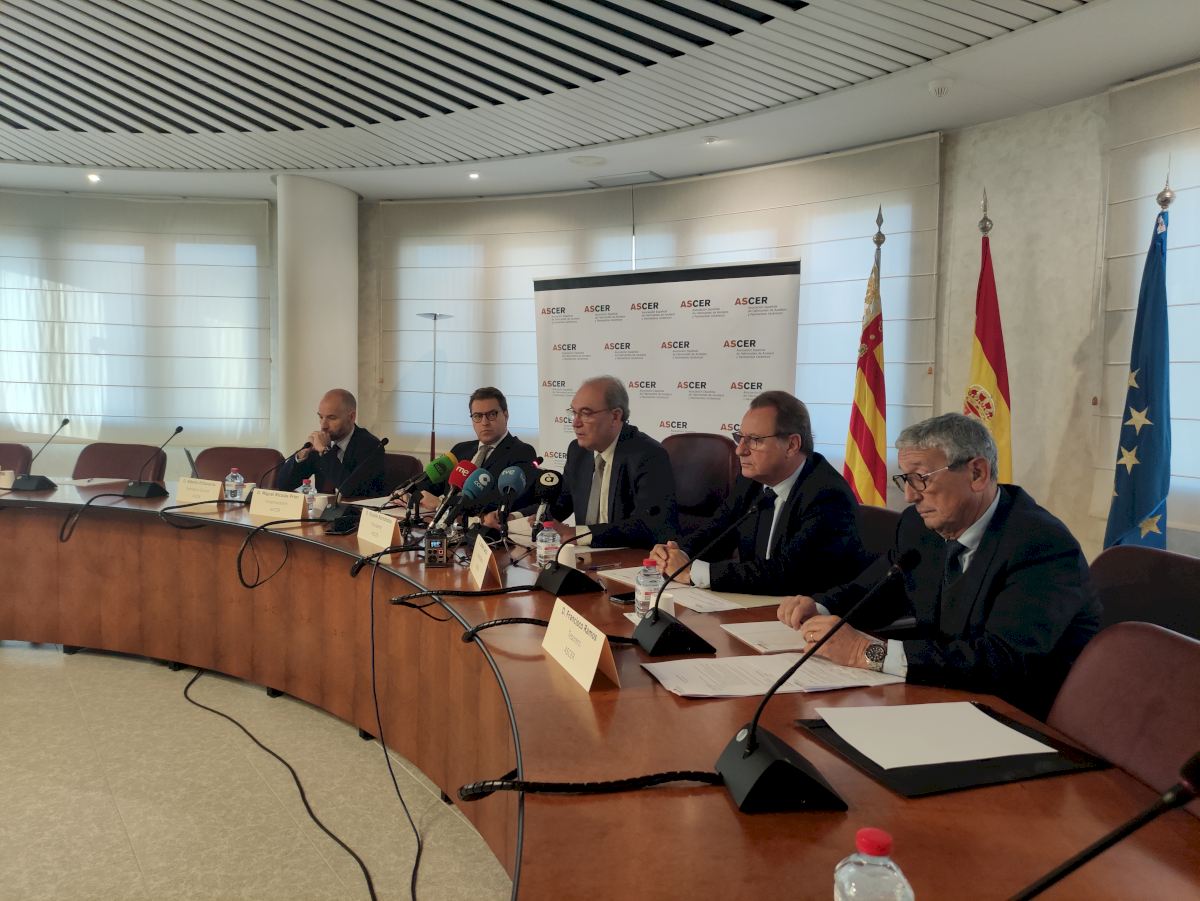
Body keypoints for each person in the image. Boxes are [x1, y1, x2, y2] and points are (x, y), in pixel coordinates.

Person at [778, 413, 1101, 720]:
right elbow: (877, 591)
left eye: (920, 479)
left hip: (1014, 715)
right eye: (906, 479)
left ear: (977, 474)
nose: (909, 496)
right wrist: (819, 607)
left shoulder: (1040, 545)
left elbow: (1004, 660)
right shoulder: (919, 527)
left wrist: (869, 653)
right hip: (939, 693)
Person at [650, 391, 867, 595]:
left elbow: (787, 572)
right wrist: (676, 554)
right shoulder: (751, 481)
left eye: (754, 440)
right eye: (740, 437)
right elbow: (716, 531)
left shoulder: (827, 495)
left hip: (809, 612)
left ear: (791, 445)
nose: (740, 450)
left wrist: (693, 572)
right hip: (756, 604)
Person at [540, 375, 677, 549]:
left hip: (629, 558)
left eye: (586, 413)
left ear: (615, 416)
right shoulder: (578, 451)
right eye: (574, 412)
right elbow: (562, 503)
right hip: (585, 555)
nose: (575, 423)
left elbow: (648, 525)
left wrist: (581, 534)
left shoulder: (648, 455)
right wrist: (527, 517)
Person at [422, 386, 538, 515]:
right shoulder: (460, 449)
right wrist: (411, 493)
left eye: (492, 414)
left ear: (506, 416)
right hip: (440, 523)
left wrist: (442, 504)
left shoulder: (523, 452)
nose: (484, 422)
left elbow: (499, 501)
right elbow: (430, 485)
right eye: (477, 416)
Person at [276, 388, 386, 498]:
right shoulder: (321, 443)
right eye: (321, 417)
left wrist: (325, 452)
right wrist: (301, 455)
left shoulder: (370, 446)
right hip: (321, 508)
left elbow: (350, 490)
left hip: (353, 508)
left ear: (351, 417)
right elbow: (283, 485)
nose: (323, 426)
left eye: (332, 418)